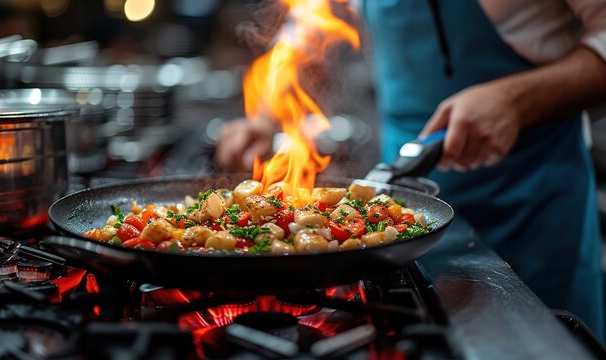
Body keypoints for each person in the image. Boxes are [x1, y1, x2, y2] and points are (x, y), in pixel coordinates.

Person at [216, 0, 606, 340]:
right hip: (407, 199)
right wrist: (265, 116)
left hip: (535, 199)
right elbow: (312, 19)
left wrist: (516, 101)